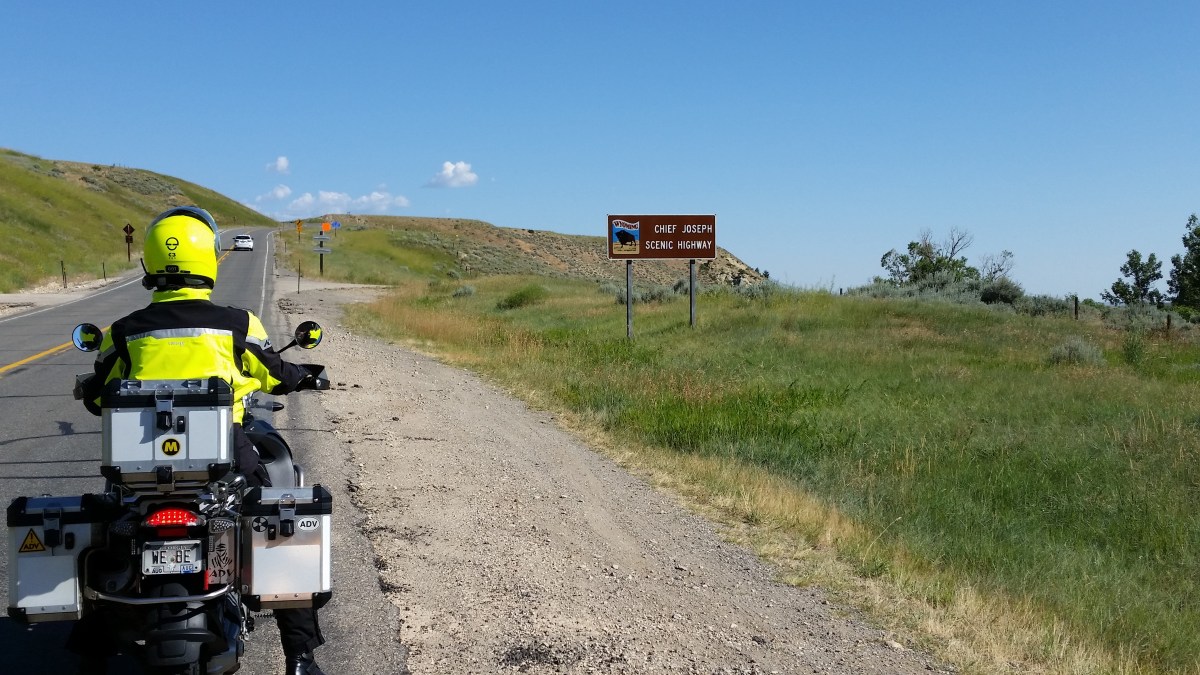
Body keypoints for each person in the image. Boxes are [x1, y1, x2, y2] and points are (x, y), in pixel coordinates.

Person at [73, 205, 327, 675]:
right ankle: (299, 657)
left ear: (150, 261)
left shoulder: (124, 331)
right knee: (277, 522)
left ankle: (91, 643)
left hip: (139, 463)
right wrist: (303, 376)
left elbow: (98, 392)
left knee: (109, 528)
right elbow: (274, 373)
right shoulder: (238, 324)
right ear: (209, 257)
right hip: (225, 452)